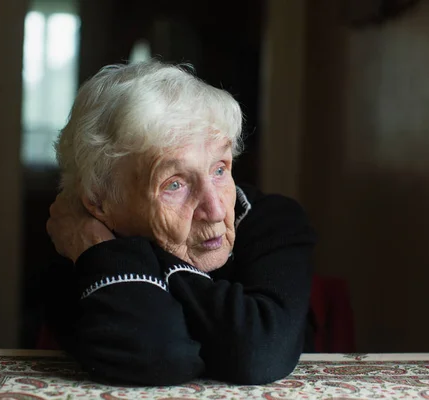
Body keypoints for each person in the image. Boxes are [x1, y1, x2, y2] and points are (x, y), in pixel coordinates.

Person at [44, 60, 317, 386]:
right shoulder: (78, 241)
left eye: (219, 169)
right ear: (100, 203)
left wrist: (135, 257)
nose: (215, 210)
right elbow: (157, 358)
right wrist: (102, 254)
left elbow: (259, 355)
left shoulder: (273, 221)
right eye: (174, 184)